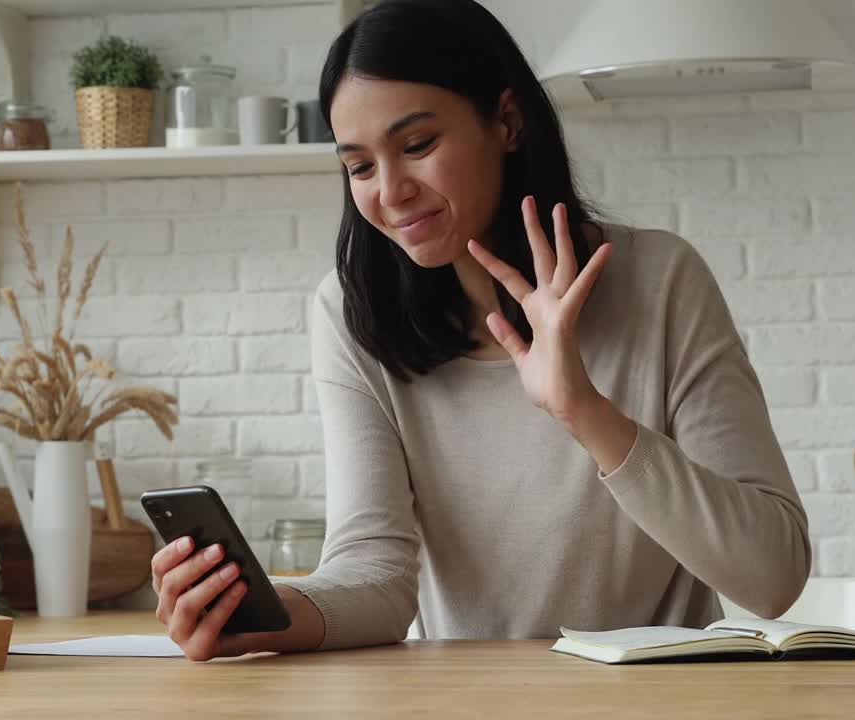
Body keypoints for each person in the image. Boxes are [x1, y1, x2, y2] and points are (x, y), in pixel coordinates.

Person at [150, 0, 811, 662]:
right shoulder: (353, 314)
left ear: (507, 121)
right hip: (468, 701)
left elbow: (773, 578)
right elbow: (374, 574)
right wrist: (259, 611)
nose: (390, 191)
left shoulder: (662, 282)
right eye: (359, 166)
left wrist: (580, 409)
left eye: (416, 146)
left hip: (667, 697)